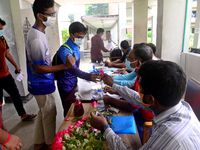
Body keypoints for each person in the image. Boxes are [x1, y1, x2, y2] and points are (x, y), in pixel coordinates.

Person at [91, 60, 200, 149]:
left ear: (150, 99)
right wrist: (113, 85)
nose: (138, 93)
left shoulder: (168, 135)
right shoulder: (179, 106)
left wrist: (105, 128)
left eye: (140, 90)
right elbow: (137, 98)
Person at [25, 0, 75, 149]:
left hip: (39, 83)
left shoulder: (37, 32)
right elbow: (39, 68)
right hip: (42, 84)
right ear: (40, 16)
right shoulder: (37, 39)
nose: (53, 16)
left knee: (43, 114)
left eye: (54, 13)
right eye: (51, 14)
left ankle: (39, 143)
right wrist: (64, 66)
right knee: (49, 116)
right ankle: (50, 145)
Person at [57, 22, 100, 116]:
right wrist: (88, 76)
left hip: (73, 82)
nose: (80, 39)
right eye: (78, 37)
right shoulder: (65, 50)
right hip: (65, 84)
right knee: (68, 109)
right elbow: (73, 69)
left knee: (76, 107)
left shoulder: (76, 47)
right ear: (70, 35)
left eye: (82, 37)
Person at [0, 18, 37, 126]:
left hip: (5, 74)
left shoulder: (2, 38)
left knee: (15, 94)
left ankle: (23, 114)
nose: (1, 31)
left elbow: (7, 53)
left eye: (1, 29)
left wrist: (16, 66)